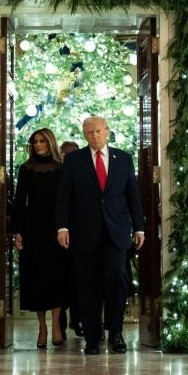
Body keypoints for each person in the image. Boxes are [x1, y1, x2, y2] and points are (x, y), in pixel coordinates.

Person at [56, 116, 145, 355]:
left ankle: (115, 333)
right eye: (89, 132)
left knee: (117, 280)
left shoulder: (124, 159)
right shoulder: (74, 160)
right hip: (84, 233)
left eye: (98, 131)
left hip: (116, 233)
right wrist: (62, 227)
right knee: (88, 285)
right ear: (84, 135)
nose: (94, 136)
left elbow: (132, 196)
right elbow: (63, 197)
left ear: (107, 131)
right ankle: (93, 338)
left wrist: (139, 227)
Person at [12, 128, 66, 348]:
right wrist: (18, 231)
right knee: (37, 279)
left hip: (56, 229)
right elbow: (18, 201)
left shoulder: (63, 169)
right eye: (35, 141)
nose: (38, 144)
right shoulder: (25, 169)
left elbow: (67, 200)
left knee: (57, 278)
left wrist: (67, 227)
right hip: (32, 229)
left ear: (50, 142)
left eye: (42, 141)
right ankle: (42, 327)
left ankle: (56, 326)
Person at [56, 141, 82, 339]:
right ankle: (61, 323)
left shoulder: (82, 171)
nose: (67, 157)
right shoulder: (55, 172)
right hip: (57, 235)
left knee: (77, 280)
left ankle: (77, 319)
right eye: (63, 154)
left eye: (70, 154)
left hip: (80, 236)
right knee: (62, 281)